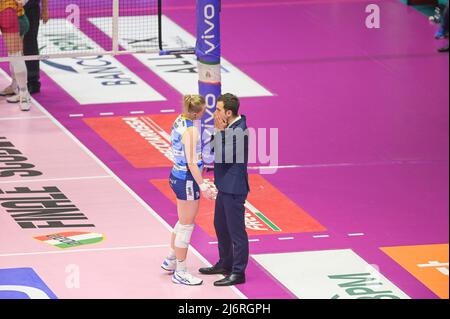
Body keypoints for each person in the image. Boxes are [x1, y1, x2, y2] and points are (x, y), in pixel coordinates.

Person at [161, 94, 215, 286]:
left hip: (177, 175)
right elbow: (192, 163)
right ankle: (181, 272)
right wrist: (203, 185)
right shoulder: (191, 132)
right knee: (186, 226)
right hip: (188, 180)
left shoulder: (179, 120)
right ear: (196, 113)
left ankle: (171, 259)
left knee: (183, 220)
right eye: (203, 111)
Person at [199, 93, 250, 287]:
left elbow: (222, 156)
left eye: (219, 110)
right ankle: (225, 263)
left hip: (234, 188)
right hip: (224, 186)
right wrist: (220, 131)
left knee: (236, 232)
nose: (215, 113)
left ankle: (238, 272)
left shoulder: (240, 130)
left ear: (228, 112)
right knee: (221, 226)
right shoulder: (231, 127)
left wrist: (219, 131)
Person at [0, 0, 31, 111]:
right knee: (15, 55)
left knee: (15, 55)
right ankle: (21, 91)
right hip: (8, 11)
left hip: (7, 11)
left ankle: (23, 94)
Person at [24, 0, 48, 94]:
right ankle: (15, 83)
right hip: (11, 8)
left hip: (31, 9)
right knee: (14, 46)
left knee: (30, 44)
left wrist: (45, 10)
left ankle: (33, 82)